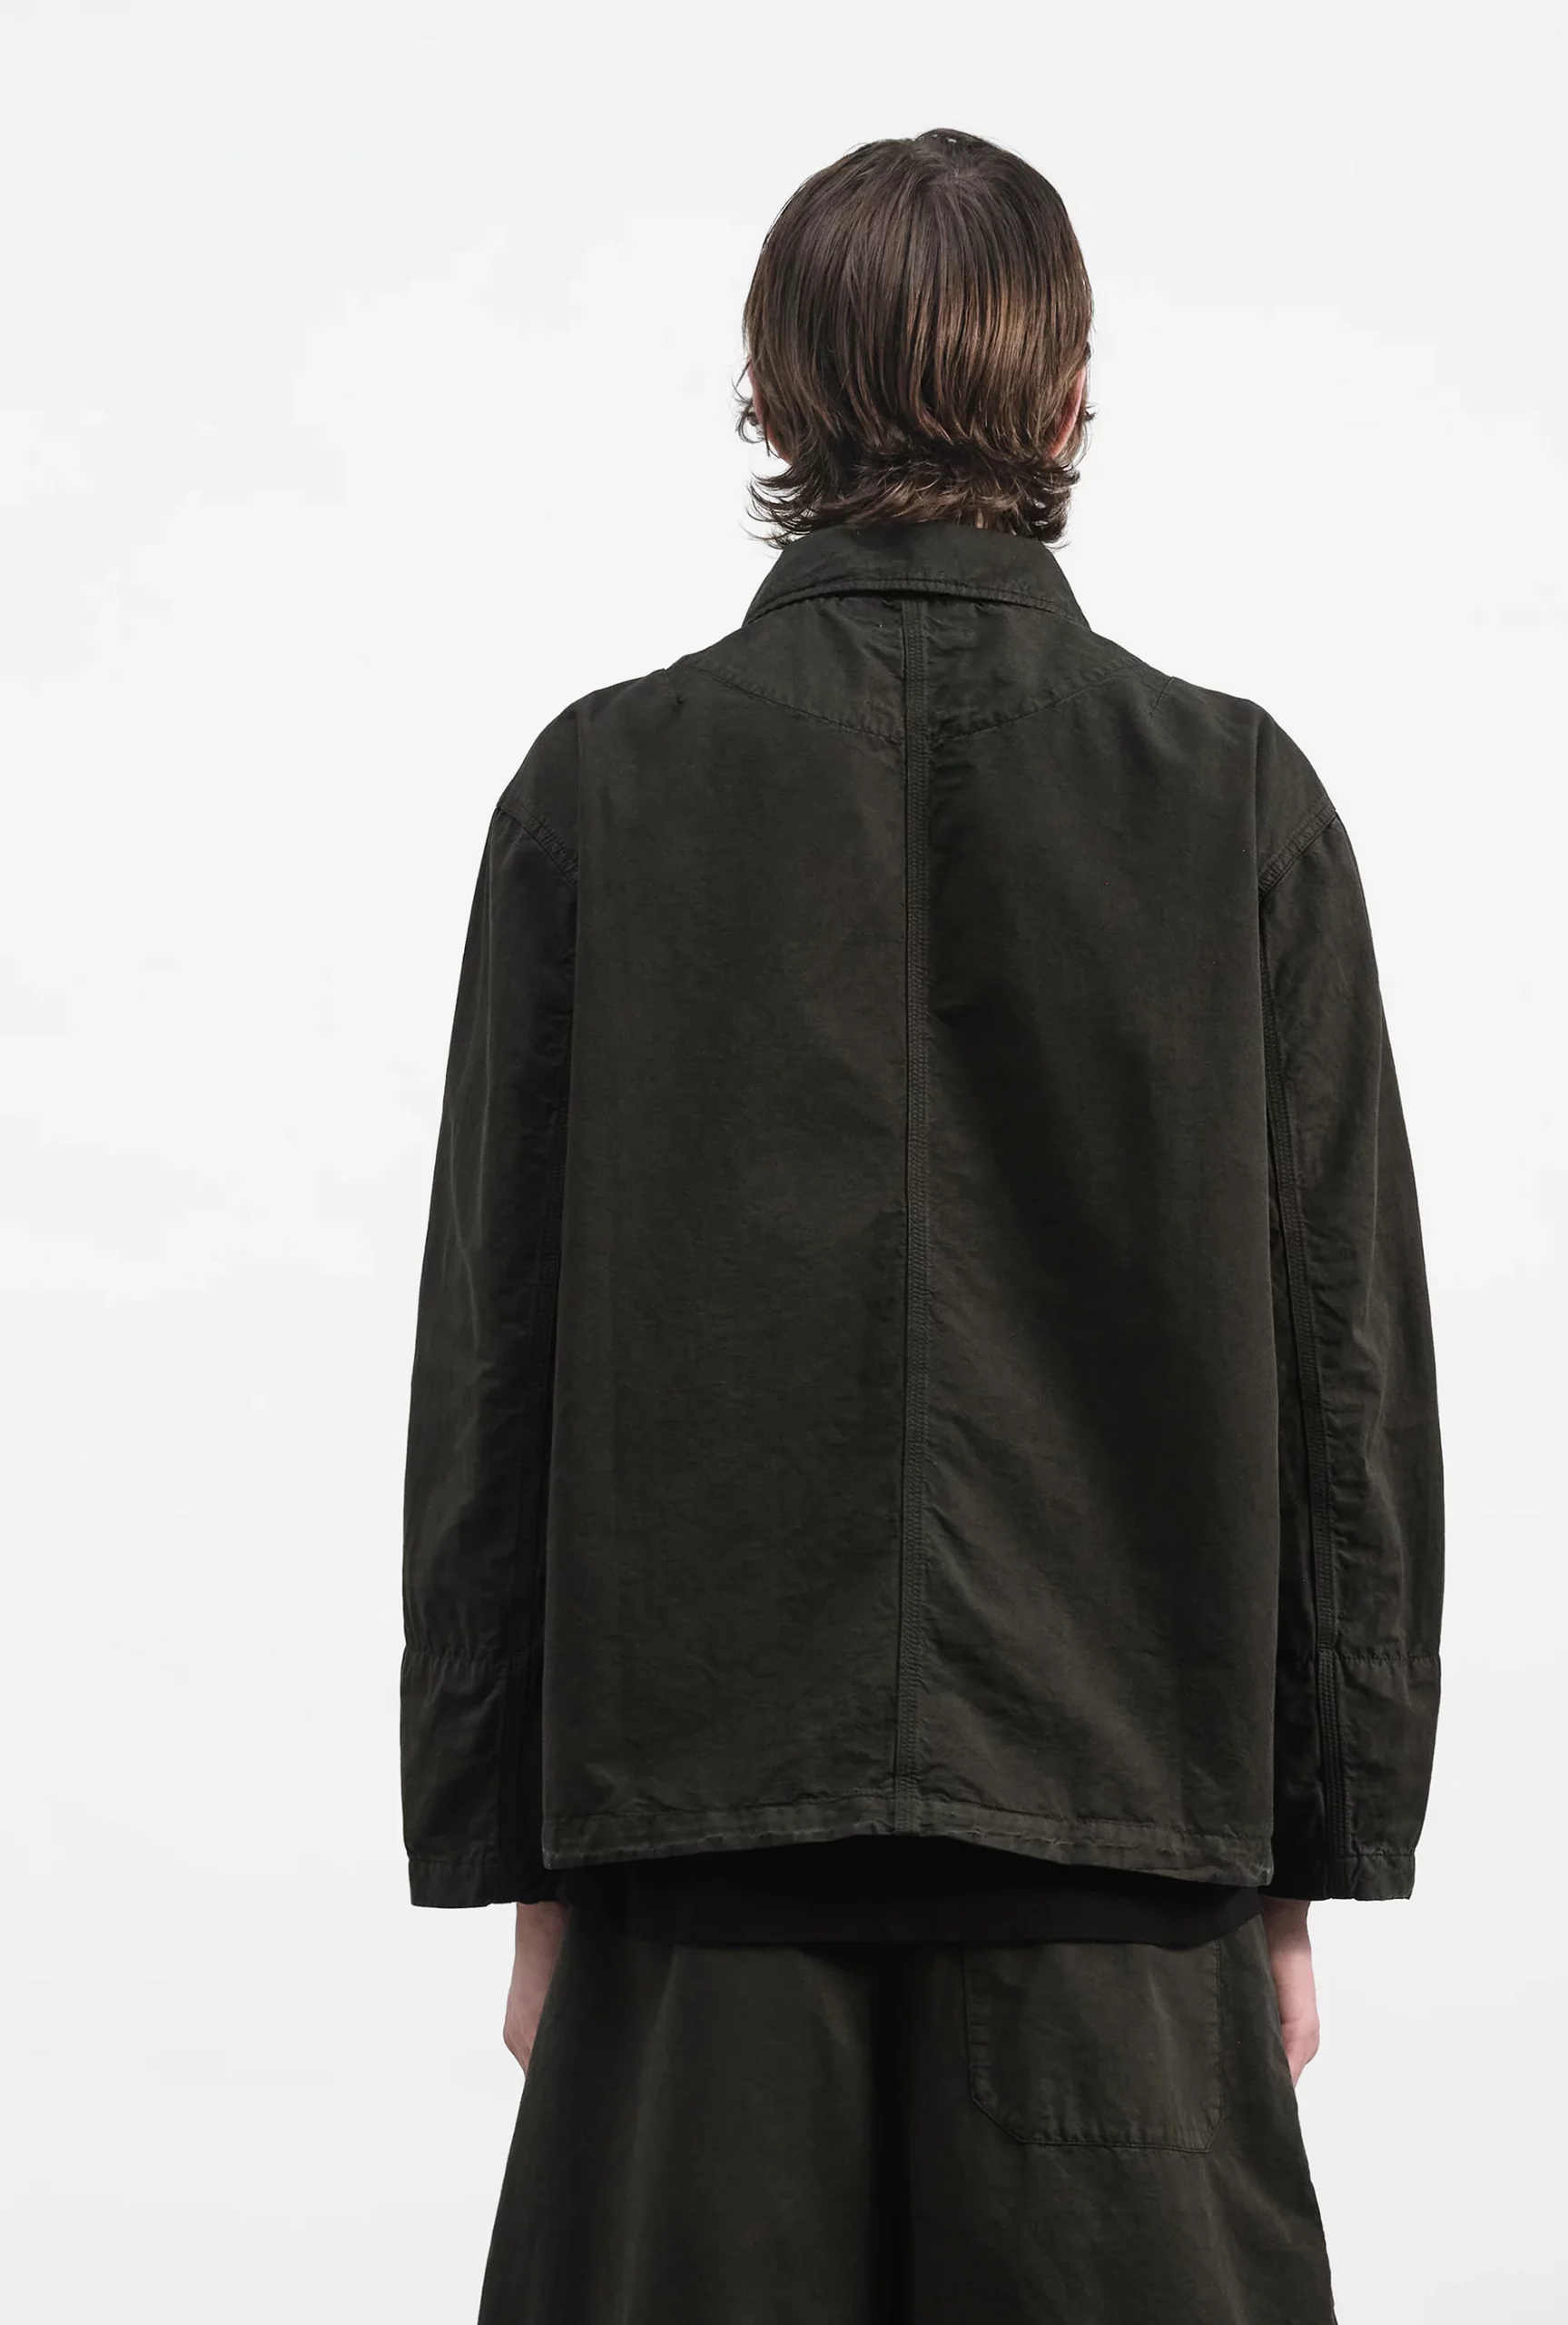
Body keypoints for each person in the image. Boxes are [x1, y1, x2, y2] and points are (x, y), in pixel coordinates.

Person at [401, 126, 1445, 2325]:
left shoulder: (599, 791)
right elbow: (1343, 1373)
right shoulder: (1236, 802)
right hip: (1119, 1860)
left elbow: (494, 1363)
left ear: (767, 398)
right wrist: (1313, 1850)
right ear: (1069, 403)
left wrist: (512, 1857)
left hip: (690, 1867)